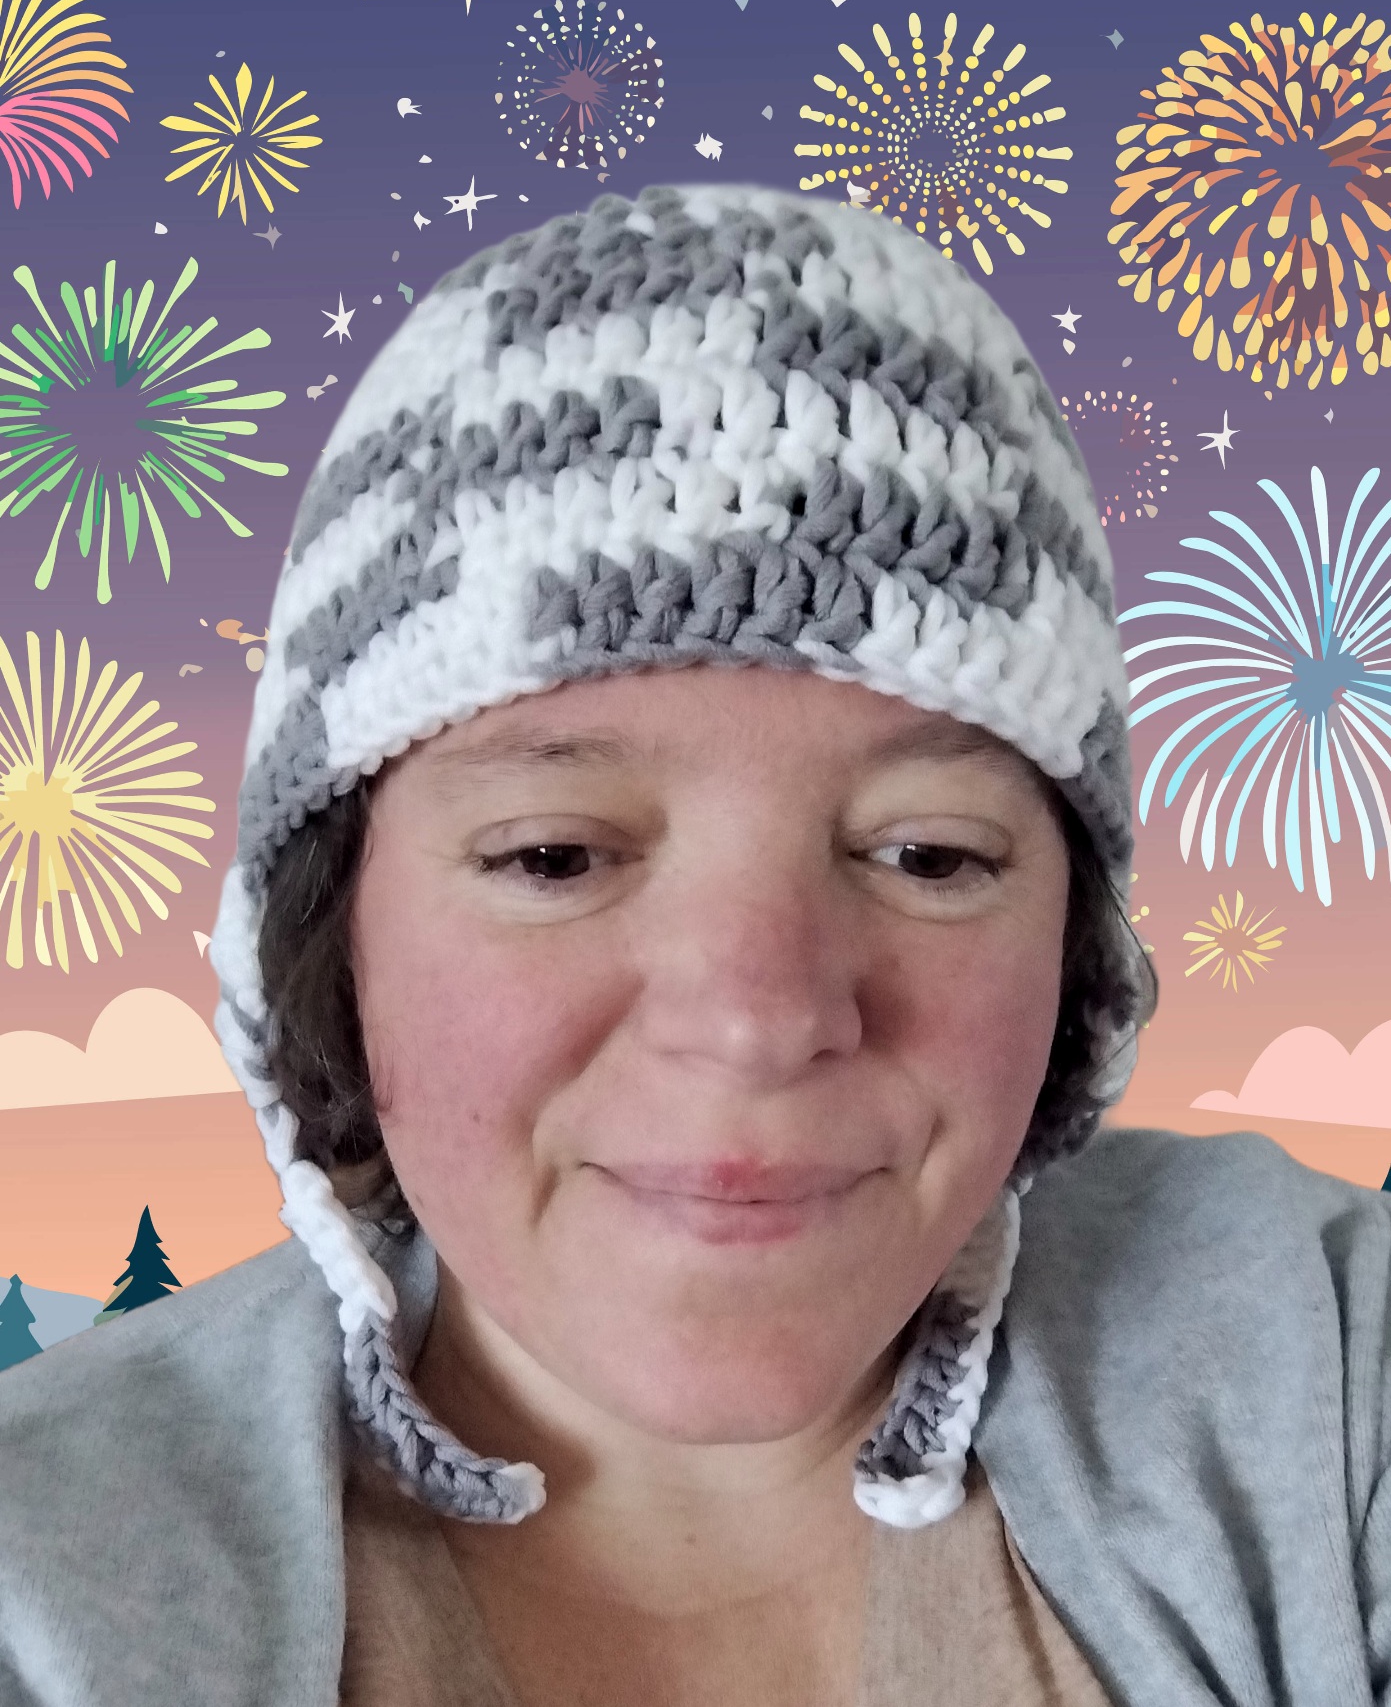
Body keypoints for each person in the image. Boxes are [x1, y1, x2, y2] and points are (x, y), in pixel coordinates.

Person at [1, 182, 1388, 1707]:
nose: (759, 1016)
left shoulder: (1327, 1356)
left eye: (929, 856)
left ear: (1074, 953)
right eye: (554, 856)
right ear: (330, 943)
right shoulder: (41, 1582)